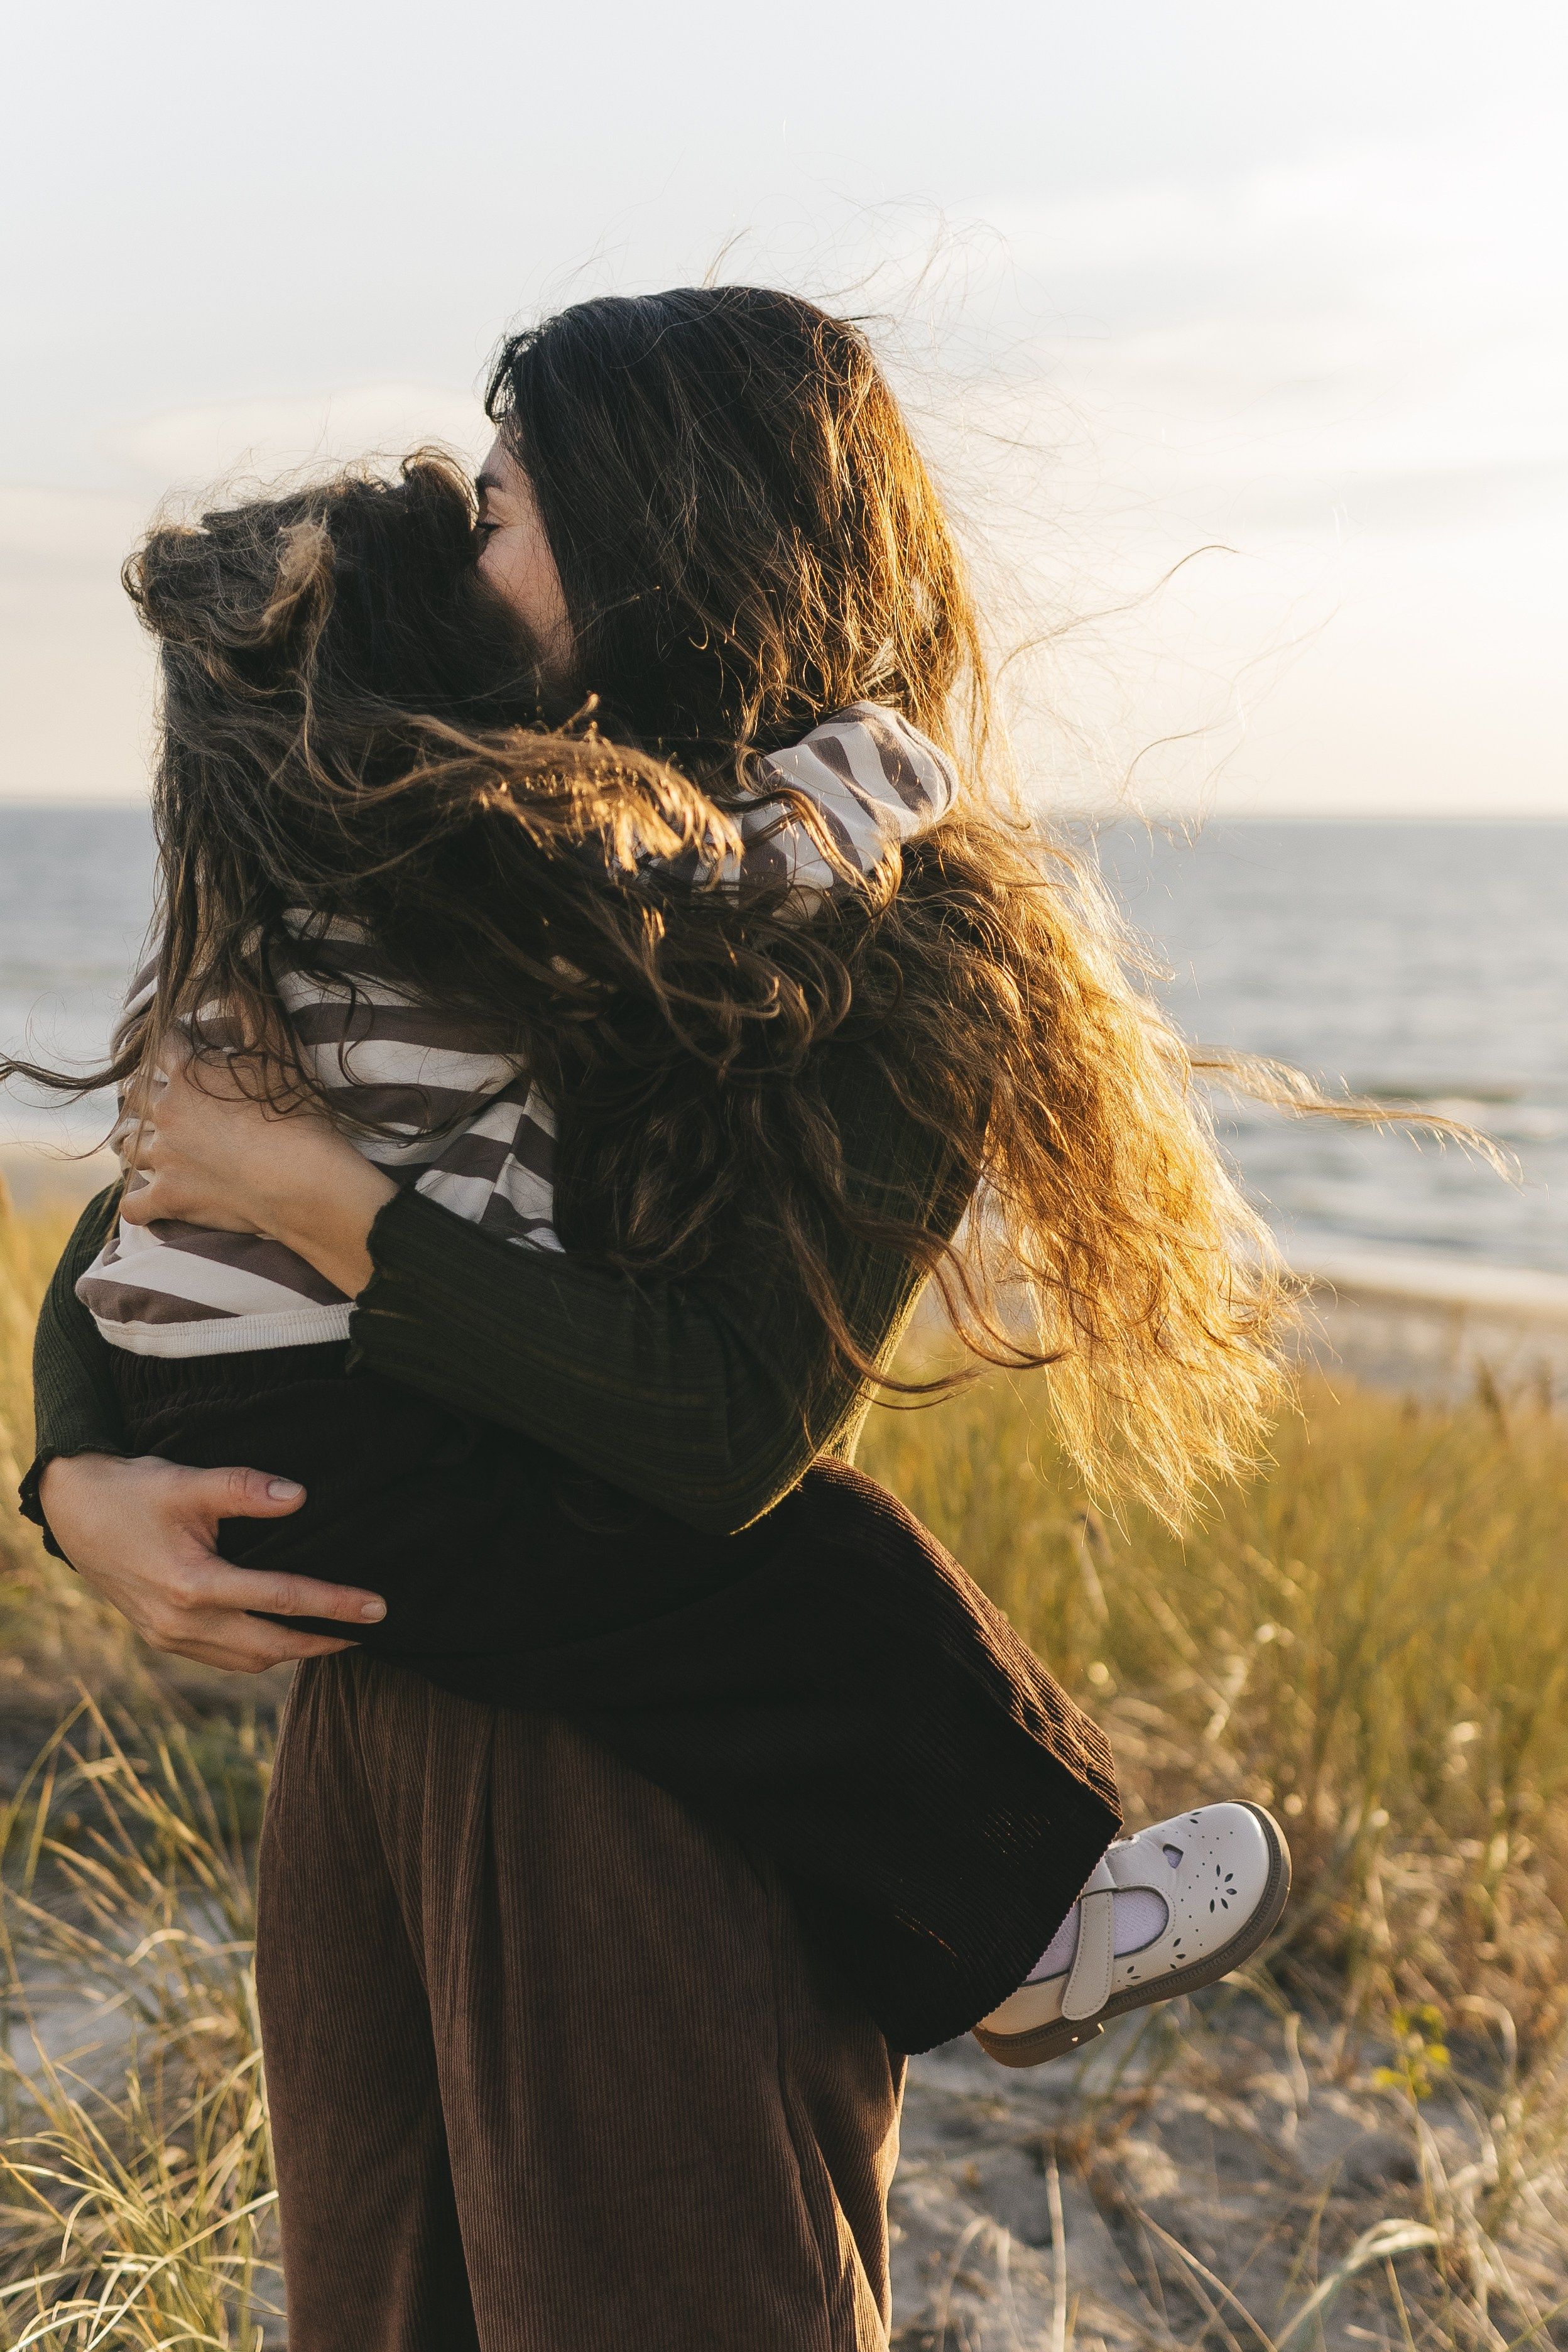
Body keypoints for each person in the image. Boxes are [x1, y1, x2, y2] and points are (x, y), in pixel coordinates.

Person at [19, 290, 1293, 2352]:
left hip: (639, 1794)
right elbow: (169, 1194)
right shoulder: (474, 844)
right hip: (379, 1726)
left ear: (664, 535)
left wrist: (335, 1217)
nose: (460, 546)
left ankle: (1021, 1903)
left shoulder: (892, 928)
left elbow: (721, 1431)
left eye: (510, 508)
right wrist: (76, 1465)